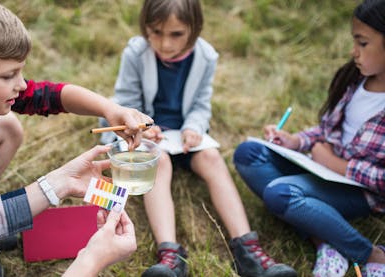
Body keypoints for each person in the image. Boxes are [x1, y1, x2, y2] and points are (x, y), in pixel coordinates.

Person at [0, 0, 150, 275]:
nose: (21, 84)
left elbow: (51, 95)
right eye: (9, 75)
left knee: (8, 127)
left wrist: (110, 109)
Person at [99, 0, 297, 276]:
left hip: (186, 136)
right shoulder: (136, 52)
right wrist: (143, 126)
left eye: (176, 34)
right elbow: (127, 100)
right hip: (148, 135)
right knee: (160, 162)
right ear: (145, 26)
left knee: (212, 158)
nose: (165, 43)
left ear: (194, 29)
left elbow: (201, 105)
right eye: (155, 32)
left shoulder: (206, 56)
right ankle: (170, 256)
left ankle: (249, 252)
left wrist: (194, 127)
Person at [233, 1, 385, 276]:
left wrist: (333, 163)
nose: (354, 52)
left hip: (360, 191)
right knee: (248, 152)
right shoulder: (355, 79)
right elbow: (329, 131)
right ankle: (325, 240)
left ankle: (371, 255)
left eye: (362, 43)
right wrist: (296, 141)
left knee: (280, 193)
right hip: (323, 170)